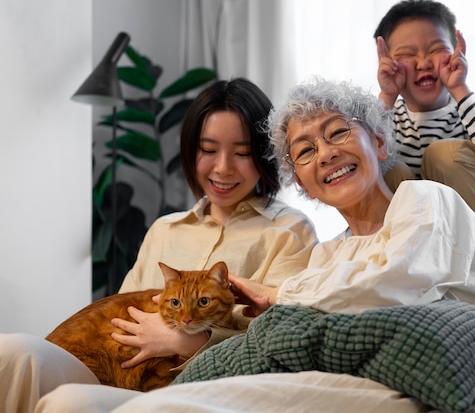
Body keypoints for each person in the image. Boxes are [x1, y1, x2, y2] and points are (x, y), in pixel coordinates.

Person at [34, 78, 475, 413]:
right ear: (302, 182)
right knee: (55, 388)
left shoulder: (426, 200)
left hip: (418, 384)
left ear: (378, 141)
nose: (326, 153)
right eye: (305, 151)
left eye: (338, 132)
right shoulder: (330, 253)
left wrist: (277, 297)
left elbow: (397, 282)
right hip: (328, 381)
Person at [0, 77, 318, 413]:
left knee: (69, 403)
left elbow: (284, 339)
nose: (223, 168)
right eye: (208, 150)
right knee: (12, 352)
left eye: (242, 153)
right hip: (124, 373)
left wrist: (190, 341)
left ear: (265, 154)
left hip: (203, 388)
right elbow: (120, 317)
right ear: (190, 150)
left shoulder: (289, 231)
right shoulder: (164, 229)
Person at [375, 0, 475, 232]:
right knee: (386, 168)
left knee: (444, 155)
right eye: (407, 55)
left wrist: (460, 89)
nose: (423, 62)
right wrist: (387, 96)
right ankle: (410, 261)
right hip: (422, 238)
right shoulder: (388, 118)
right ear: (386, 62)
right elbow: (360, 165)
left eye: (436, 50)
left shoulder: (468, 108)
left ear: (456, 53)